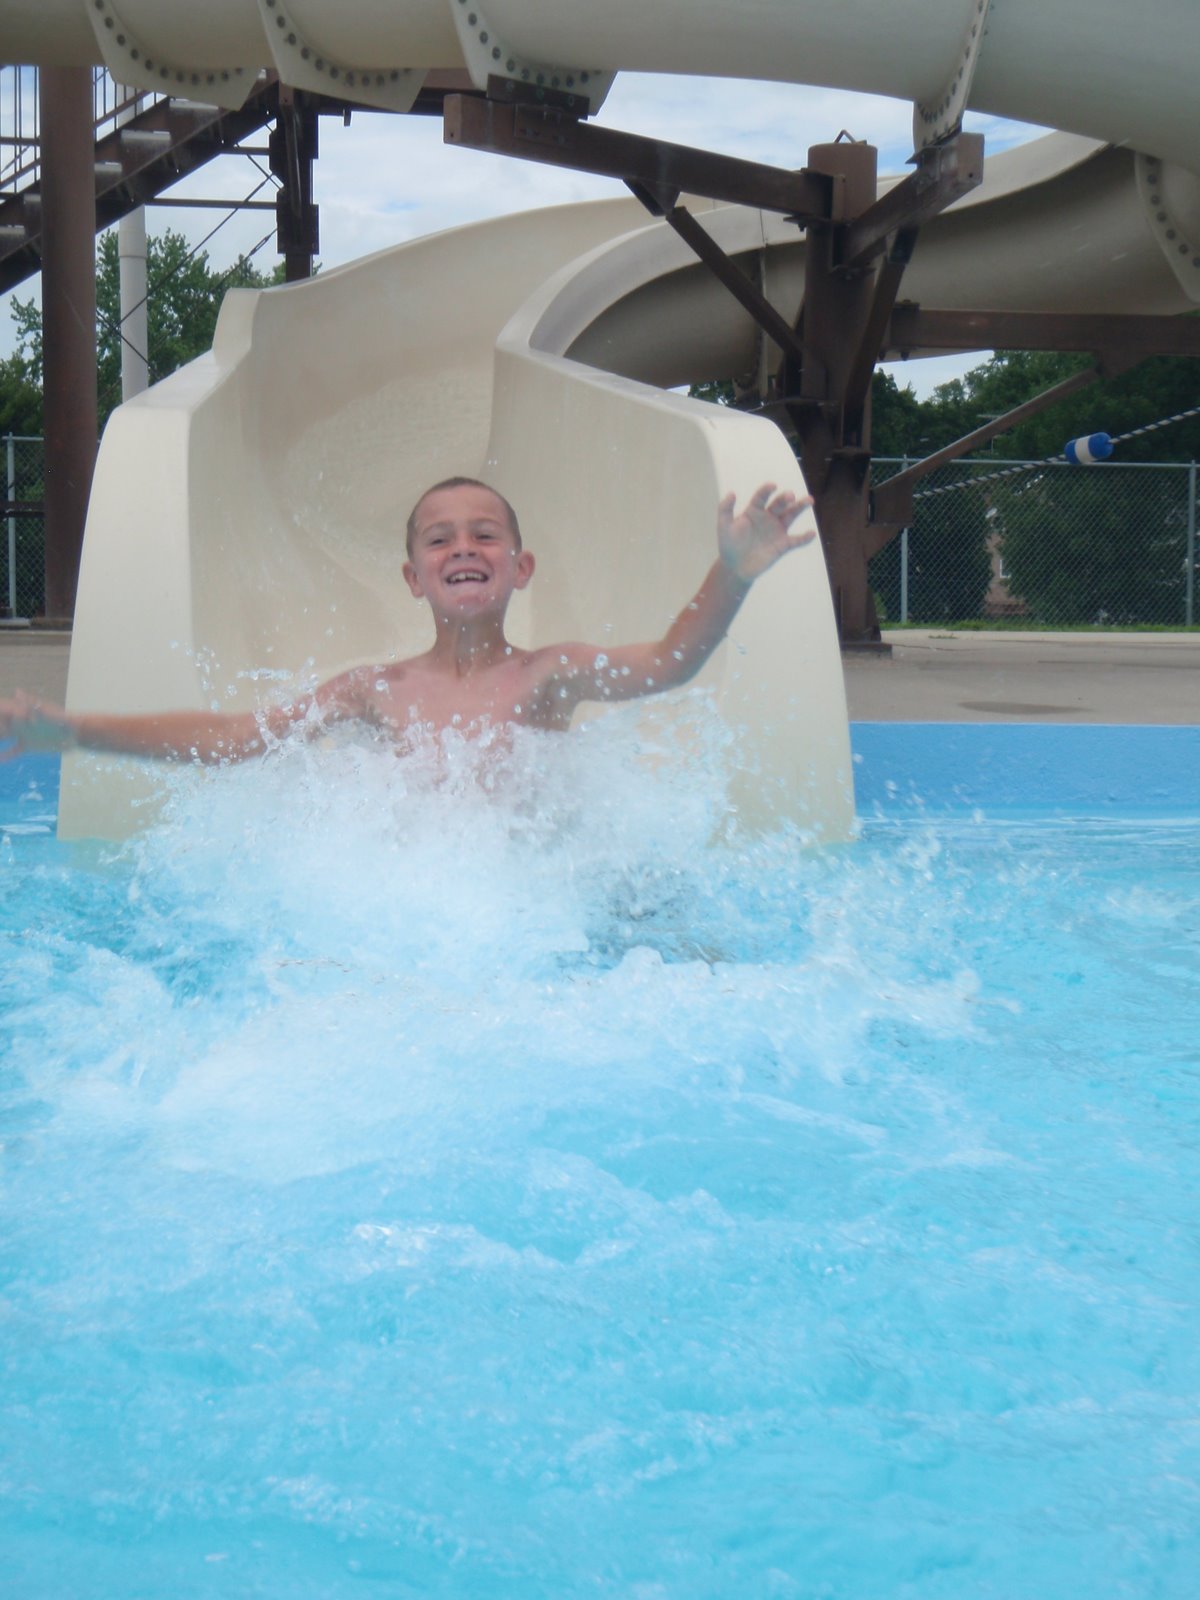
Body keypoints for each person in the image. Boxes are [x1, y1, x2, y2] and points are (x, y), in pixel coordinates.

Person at [0, 476, 814, 764]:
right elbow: (238, 738)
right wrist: (74, 731)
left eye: (485, 534)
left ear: (520, 567)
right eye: (439, 539)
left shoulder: (550, 673)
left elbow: (671, 662)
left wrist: (733, 573)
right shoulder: (373, 691)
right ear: (414, 578)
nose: (463, 547)